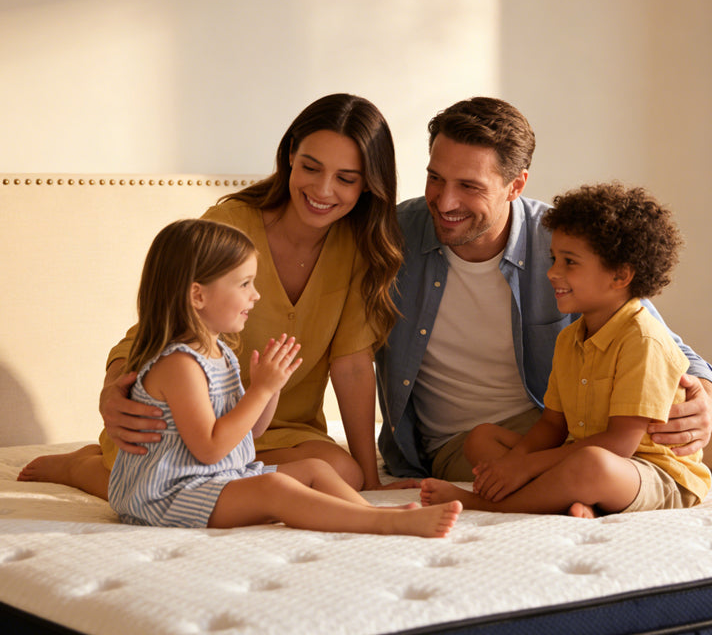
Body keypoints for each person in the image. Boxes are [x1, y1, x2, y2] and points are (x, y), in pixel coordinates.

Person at [376, 97, 712, 482]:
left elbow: (650, 332)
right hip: (463, 441)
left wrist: (707, 399)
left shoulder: (564, 242)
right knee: (539, 472)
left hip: (573, 423)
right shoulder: (388, 238)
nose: (445, 201)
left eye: (469, 186)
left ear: (516, 186)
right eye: (435, 177)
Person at [20, 94, 416, 494]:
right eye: (310, 167)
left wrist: (370, 478)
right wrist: (110, 392)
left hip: (281, 432)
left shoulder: (361, 249)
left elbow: (351, 367)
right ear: (290, 154)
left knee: (342, 473)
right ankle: (84, 470)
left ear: (369, 184)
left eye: (346, 178)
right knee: (177, 473)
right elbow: (162, 320)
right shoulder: (229, 226)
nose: (323, 189)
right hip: (191, 425)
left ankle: (208, 484)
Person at [105, 218, 461, 536]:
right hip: (171, 494)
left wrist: (271, 388)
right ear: (198, 295)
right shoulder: (179, 365)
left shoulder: (221, 352)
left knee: (315, 468)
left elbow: (251, 432)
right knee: (275, 487)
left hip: (216, 479)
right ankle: (384, 524)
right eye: (244, 284)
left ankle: (368, 512)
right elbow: (211, 448)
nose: (256, 295)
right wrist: (259, 390)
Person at [420, 183, 711, 517]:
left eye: (569, 262)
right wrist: (517, 462)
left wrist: (527, 468)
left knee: (592, 464)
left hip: (650, 472)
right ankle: (575, 497)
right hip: (584, 452)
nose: (552, 272)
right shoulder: (570, 338)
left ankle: (487, 504)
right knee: (481, 439)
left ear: (620, 276)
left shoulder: (643, 340)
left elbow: (620, 444)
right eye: (554, 258)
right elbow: (551, 425)